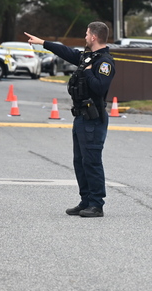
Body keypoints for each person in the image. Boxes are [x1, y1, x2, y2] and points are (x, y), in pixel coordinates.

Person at [25, 22, 115, 218]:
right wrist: (43, 43)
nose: (84, 37)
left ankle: (96, 204)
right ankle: (86, 200)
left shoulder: (105, 62)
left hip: (93, 117)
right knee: (80, 161)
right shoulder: (88, 57)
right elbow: (66, 52)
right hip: (81, 117)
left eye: (86, 33)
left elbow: (100, 88)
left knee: (92, 161)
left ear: (93, 37)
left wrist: (89, 70)